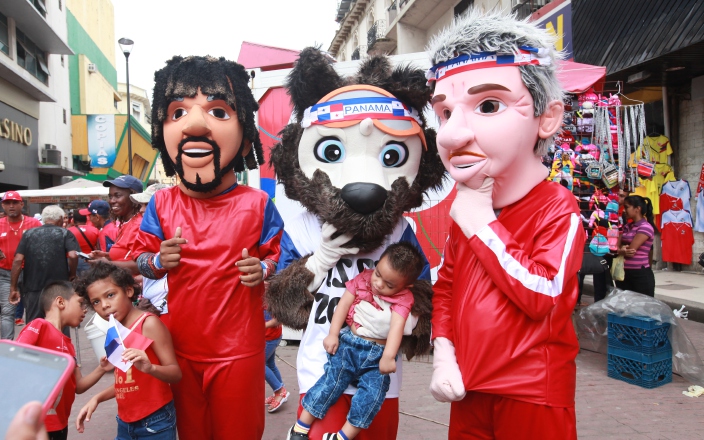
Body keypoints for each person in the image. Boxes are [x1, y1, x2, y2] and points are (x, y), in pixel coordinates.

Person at [265, 49, 442, 440]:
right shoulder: (302, 228)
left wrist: (408, 322)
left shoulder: (399, 233)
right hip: (320, 366)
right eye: (332, 151)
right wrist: (318, 262)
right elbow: (285, 306)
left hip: (378, 376)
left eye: (391, 154)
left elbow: (429, 299)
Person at [427, 9, 584, 439]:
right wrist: (444, 351)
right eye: (444, 113)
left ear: (546, 118)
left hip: (531, 391)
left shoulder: (557, 206)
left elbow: (545, 296)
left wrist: (481, 224)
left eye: (488, 105)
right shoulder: (470, 209)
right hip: (469, 389)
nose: (451, 136)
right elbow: (447, 287)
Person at [131, 55, 284, 439]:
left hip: (240, 351)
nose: (195, 124)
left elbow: (283, 259)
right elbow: (138, 260)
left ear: (245, 133)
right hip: (180, 350)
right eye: (178, 111)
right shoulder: (161, 204)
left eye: (217, 111)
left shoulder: (259, 204)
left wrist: (263, 270)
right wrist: (157, 261)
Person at [289, 243, 423, 440]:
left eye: (389, 284)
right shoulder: (364, 278)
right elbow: (343, 305)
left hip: (377, 356)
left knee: (372, 398)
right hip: (350, 346)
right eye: (378, 274)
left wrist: (388, 356)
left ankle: (342, 436)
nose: (378, 284)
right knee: (330, 384)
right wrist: (333, 334)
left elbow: (397, 327)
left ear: (406, 286)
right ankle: (300, 427)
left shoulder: (404, 298)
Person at [74, 262, 181, 439]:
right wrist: (97, 398)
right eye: (96, 302)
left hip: (155, 421)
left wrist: (150, 368)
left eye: (110, 295)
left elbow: (175, 373)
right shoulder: (114, 329)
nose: (104, 305)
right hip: (125, 421)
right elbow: (127, 384)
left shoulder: (148, 324)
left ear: (129, 291)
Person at [16, 281, 112, 440]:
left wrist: (102, 368)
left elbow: (78, 386)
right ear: (60, 302)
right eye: (80, 303)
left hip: (60, 423)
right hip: (38, 423)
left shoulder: (68, 345)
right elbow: (16, 356)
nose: (84, 310)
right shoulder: (39, 326)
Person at [10, 206, 80, 323]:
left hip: (33, 286)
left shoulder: (28, 234)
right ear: (60, 219)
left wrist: (13, 287)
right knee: (60, 322)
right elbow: (73, 255)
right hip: (58, 287)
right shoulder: (65, 233)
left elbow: (18, 260)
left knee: (34, 324)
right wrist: (72, 274)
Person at [0, 191, 43, 339]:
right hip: (6, 273)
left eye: (14, 202)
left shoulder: (34, 223)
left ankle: (32, 343)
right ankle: (7, 347)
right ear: (3, 206)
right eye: (7, 203)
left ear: (21, 204)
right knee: (7, 312)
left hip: (30, 273)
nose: (11, 206)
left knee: (32, 311)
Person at [88, 176, 143, 273]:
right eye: (110, 196)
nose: (112, 201)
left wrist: (107, 263)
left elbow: (142, 265)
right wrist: (106, 256)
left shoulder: (138, 225)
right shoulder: (126, 223)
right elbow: (126, 255)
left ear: (134, 197)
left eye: (117, 196)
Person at [130, 184, 170, 314]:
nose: (141, 209)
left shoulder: (172, 235)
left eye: (147, 204)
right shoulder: (148, 234)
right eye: (141, 205)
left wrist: (161, 304)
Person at [616, 195, 656, 297]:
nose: (624, 210)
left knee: (641, 308)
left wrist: (620, 250)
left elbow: (630, 251)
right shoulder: (627, 226)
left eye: (627, 207)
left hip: (640, 274)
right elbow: (615, 247)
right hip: (623, 273)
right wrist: (620, 250)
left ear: (638, 209)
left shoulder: (645, 227)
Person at [264, 309, 288, 413]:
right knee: (270, 364)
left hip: (269, 338)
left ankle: (279, 390)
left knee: (259, 365)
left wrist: (261, 326)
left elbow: (279, 319)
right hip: (269, 337)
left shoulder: (271, 295)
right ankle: (281, 391)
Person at [68, 210, 99, 275]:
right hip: (89, 260)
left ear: (73, 220)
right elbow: (98, 247)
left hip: (73, 261)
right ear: (86, 219)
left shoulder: (68, 231)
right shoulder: (95, 230)